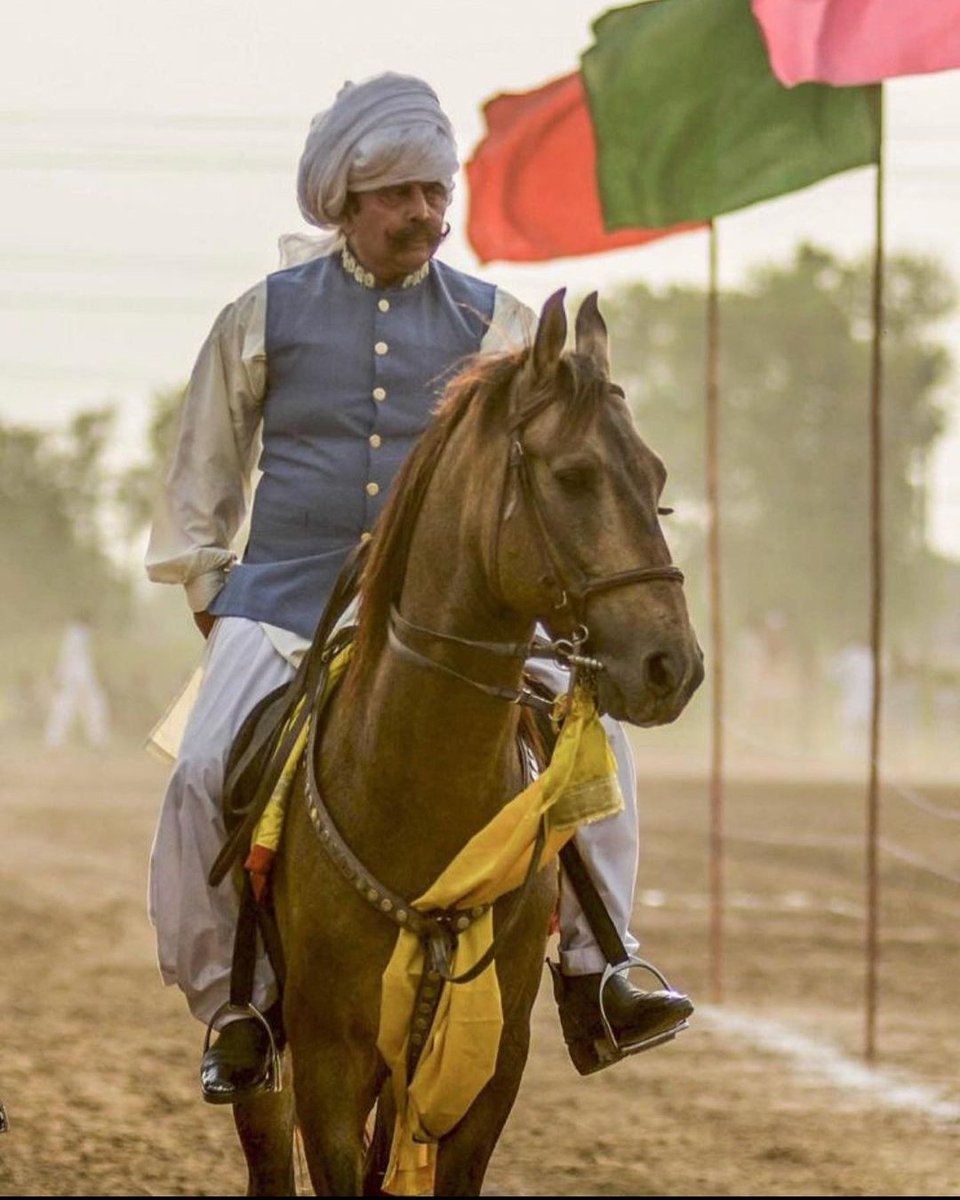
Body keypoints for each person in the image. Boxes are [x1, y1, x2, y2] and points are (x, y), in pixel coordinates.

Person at [145, 72, 692, 1104]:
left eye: (439, 194)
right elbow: (201, 473)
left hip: (460, 610)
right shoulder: (261, 316)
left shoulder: (505, 326)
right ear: (346, 200)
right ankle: (238, 1006)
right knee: (198, 773)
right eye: (402, 194)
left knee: (598, 760)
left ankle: (599, 971)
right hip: (287, 601)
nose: (428, 216)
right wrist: (216, 594)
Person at [44, 612, 110, 749]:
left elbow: (67, 657)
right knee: (73, 708)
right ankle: (55, 742)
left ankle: (97, 741)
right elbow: (66, 657)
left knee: (78, 708)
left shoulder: (78, 635)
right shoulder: (76, 634)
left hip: (80, 679)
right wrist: (59, 677)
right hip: (76, 679)